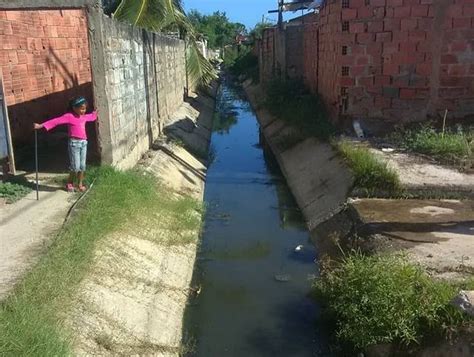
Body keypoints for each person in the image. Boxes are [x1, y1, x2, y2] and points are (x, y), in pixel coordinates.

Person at [34, 96, 97, 192]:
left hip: (83, 143)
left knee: (82, 166)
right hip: (74, 144)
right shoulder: (69, 117)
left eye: (85, 109)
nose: (84, 111)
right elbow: (55, 121)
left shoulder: (83, 116)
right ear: (74, 108)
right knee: (75, 167)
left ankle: (80, 184)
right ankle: (69, 183)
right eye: (82, 109)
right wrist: (40, 125)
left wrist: (95, 112)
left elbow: (92, 117)